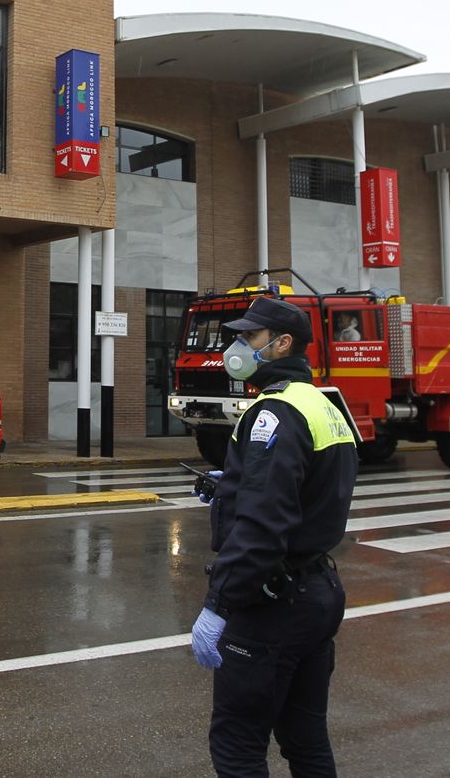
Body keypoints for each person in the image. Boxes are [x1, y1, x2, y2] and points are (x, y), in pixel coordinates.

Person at [190, 295, 358, 777]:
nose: (238, 347)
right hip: (317, 592)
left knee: (238, 746)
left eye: (250, 337)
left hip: (274, 605)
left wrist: (219, 603)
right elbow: (312, 489)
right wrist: (234, 486)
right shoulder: (322, 403)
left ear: (282, 344)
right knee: (306, 739)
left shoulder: (275, 412)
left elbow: (263, 527)